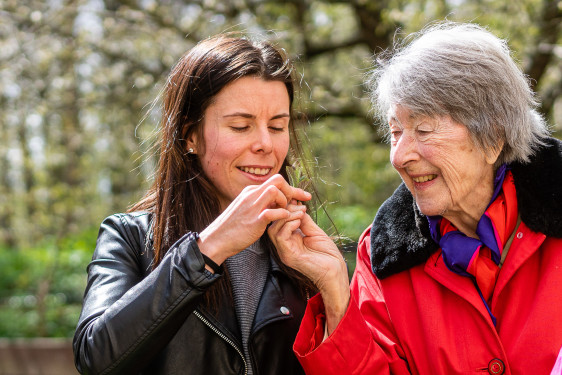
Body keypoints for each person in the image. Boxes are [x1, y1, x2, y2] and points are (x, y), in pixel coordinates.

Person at [269, 22, 562, 374]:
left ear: (493, 138)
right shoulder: (383, 255)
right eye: (395, 132)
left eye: (423, 130)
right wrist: (335, 290)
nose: (399, 155)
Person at [73, 35, 316, 375]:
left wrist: (336, 291)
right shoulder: (131, 237)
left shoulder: (300, 243)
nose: (265, 144)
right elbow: (96, 359)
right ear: (190, 136)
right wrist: (208, 249)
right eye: (240, 126)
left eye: (278, 126)